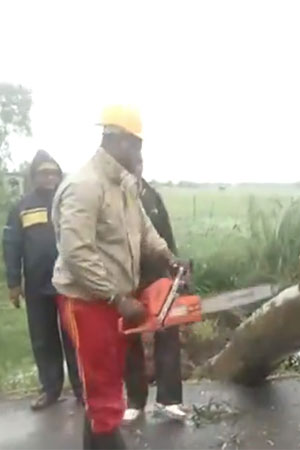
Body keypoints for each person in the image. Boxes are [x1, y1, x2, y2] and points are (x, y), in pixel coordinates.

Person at [53, 105, 183, 449]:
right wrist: (116, 298)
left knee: (104, 389)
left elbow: (144, 231)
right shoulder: (85, 186)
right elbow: (76, 252)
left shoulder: (124, 187)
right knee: (104, 393)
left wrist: (168, 257)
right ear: (118, 141)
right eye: (136, 145)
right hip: (86, 302)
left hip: (111, 301)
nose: (139, 154)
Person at [2, 150, 82, 410]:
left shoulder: (70, 201)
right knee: (43, 339)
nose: (49, 177)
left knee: (74, 337)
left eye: (53, 172)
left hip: (70, 283)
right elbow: (12, 245)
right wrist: (14, 283)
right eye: (43, 173)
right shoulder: (22, 207)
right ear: (33, 177)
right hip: (37, 286)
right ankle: (50, 389)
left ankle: (84, 390)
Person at [123, 163, 186, 422]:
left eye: (137, 165)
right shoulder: (111, 196)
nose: (133, 170)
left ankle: (169, 399)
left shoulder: (151, 196)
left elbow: (165, 235)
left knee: (168, 332)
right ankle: (135, 400)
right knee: (128, 337)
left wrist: (174, 265)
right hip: (125, 276)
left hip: (157, 273)